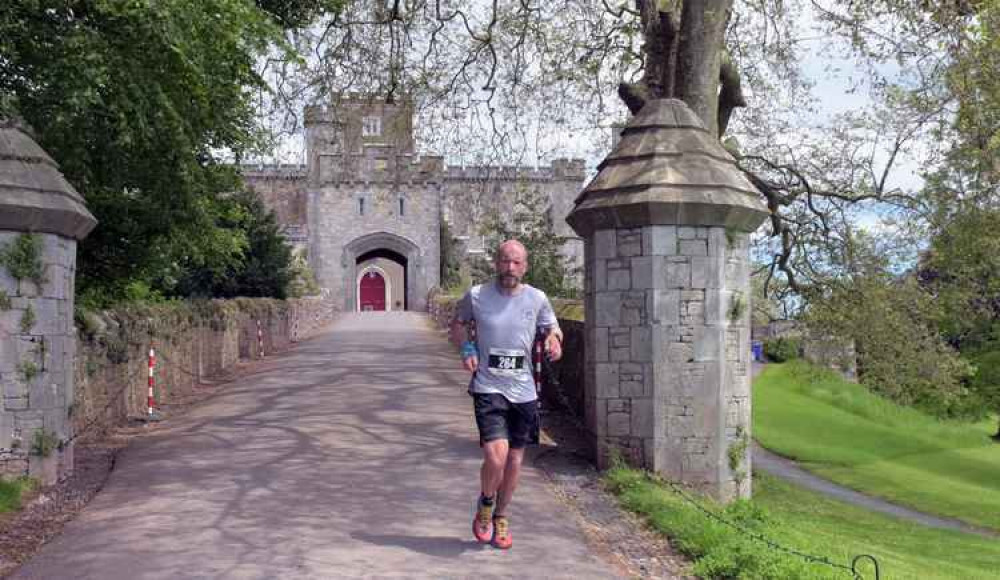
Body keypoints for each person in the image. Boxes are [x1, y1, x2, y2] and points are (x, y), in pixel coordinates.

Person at [449, 239, 563, 550]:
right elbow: (458, 325)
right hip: (489, 386)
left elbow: (552, 328)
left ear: (525, 267)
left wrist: (554, 339)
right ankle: (485, 505)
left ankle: (501, 515)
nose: (509, 268)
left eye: (515, 262)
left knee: (514, 460)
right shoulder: (476, 296)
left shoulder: (537, 298)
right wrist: (468, 347)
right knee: (494, 456)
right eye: (504, 261)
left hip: (523, 391)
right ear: (495, 263)